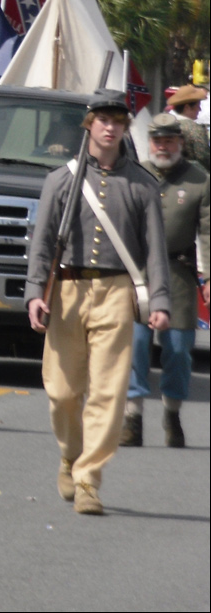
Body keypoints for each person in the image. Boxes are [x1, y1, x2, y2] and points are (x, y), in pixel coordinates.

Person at [26, 91, 171, 516]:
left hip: (116, 292)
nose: (111, 127)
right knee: (63, 392)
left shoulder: (142, 185)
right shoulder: (61, 180)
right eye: (103, 119)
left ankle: (89, 479)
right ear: (89, 124)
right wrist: (36, 292)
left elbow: (155, 251)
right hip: (67, 291)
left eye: (118, 121)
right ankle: (71, 455)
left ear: (126, 129)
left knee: (108, 393)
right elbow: (41, 244)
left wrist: (159, 299)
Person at [122, 113, 208, 449]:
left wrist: (210, 276)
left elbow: (208, 232)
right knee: (136, 344)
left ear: (181, 144)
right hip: (139, 274)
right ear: (150, 143)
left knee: (177, 351)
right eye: (157, 141)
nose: (163, 147)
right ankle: (133, 417)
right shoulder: (134, 174)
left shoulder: (200, 180)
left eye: (169, 141)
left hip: (178, 273)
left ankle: (172, 412)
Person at [167, 84, 209, 169]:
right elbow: (203, 156)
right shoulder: (195, 129)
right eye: (198, 105)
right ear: (187, 107)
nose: (200, 109)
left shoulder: (167, 125)